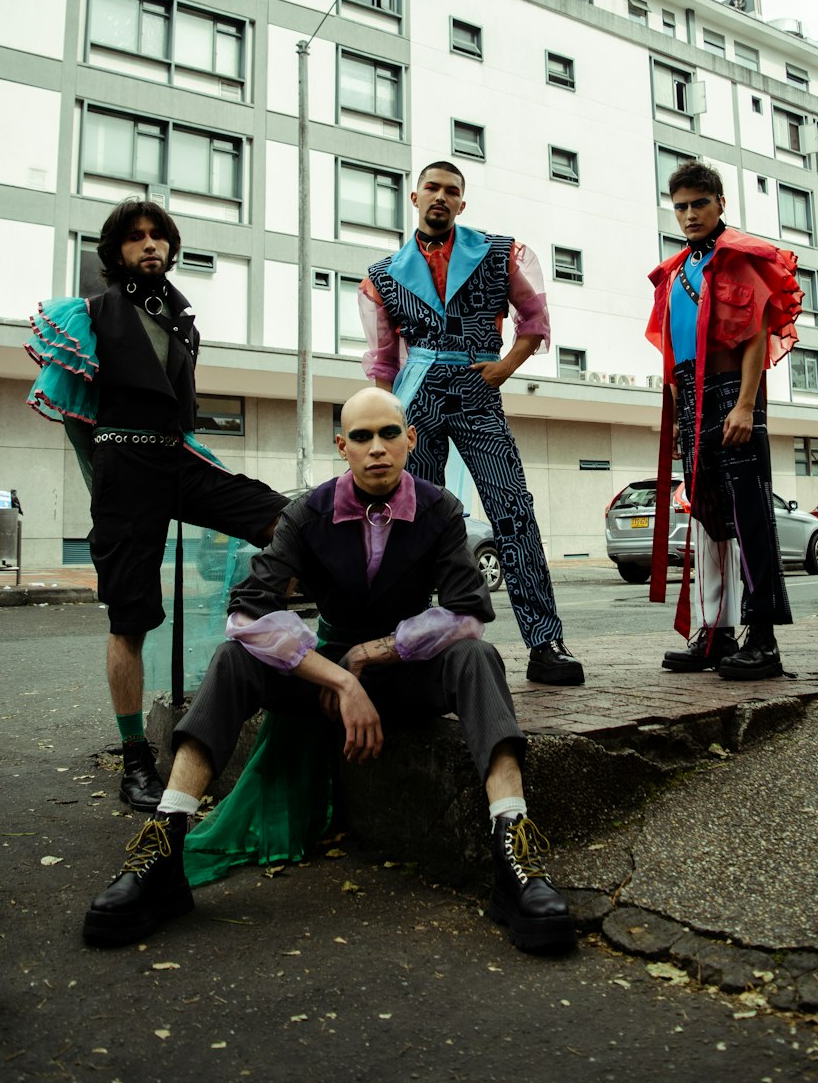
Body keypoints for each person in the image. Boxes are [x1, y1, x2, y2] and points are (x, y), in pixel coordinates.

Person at [82, 387, 575, 954]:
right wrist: (337, 676)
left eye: (389, 433)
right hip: (320, 680)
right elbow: (246, 615)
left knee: (478, 657)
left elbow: (467, 615)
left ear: (411, 439)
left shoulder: (439, 508)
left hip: (402, 675)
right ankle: (163, 846)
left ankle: (515, 851)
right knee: (234, 659)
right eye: (361, 437)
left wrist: (375, 653)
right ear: (342, 447)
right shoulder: (308, 511)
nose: (377, 449)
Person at [25, 200, 288, 811]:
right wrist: (106, 489)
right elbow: (72, 415)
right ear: (117, 251)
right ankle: (136, 757)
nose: (149, 245)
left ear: (170, 247)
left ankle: (267, 626)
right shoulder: (87, 313)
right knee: (130, 618)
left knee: (286, 518)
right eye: (136, 238)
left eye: (158, 237)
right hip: (123, 470)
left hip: (177, 458)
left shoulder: (181, 318)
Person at [357, 162, 583, 687]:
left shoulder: (501, 254)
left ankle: (545, 641)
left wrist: (505, 367)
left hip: (480, 391)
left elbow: (534, 321)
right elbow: (383, 362)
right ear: (414, 196)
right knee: (413, 518)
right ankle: (413, 643)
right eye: (432, 188)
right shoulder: (384, 275)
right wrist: (387, 421)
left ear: (462, 203)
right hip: (417, 399)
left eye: (451, 191)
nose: (440, 197)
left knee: (513, 508)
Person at [645, 162, 802, 679]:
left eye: (699, 204)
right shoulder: (672, 273)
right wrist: (676, 414)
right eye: (682, 207)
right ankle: (715, 634)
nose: (690, 215)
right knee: (708, 518)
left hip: (734, 392)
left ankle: (764, 640)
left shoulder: (739, 258)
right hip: (690, 397)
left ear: (719, 204)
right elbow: (672, 348)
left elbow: (757, 335)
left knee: (750, 515)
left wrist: (745, 405)